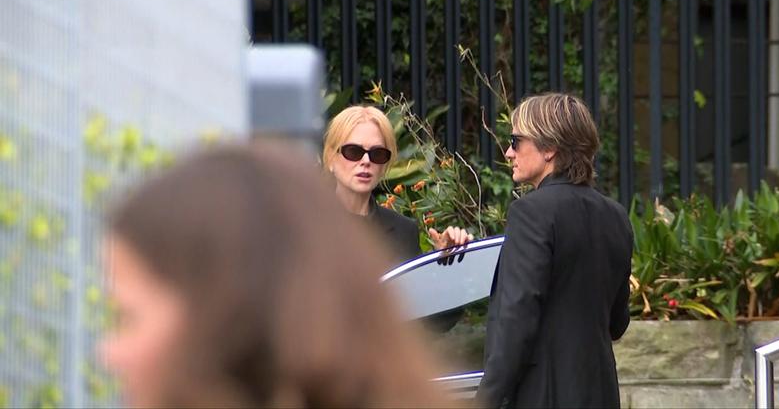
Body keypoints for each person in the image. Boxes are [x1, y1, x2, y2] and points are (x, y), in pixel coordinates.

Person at [100, 142, 453, 408]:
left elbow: (431, 318)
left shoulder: (384, 232)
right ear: (331, 157)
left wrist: (445, 266)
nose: (109, 353)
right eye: (353, 151)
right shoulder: (310, 224)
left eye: (127, 317)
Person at [475, 93, 633, 408]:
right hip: (600, 393)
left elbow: (516, 317)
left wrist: (485, 400)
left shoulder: (531, 212)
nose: (508, 152)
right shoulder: (616, 216)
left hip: (542, 394)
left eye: (516, 141)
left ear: (549, 148)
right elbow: (617, 323)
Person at [322, 105, 472, 261]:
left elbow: (416, 284)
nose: (366, 161)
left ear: (385, 165)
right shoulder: (304, 228)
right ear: (331, 158)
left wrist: (439, 258)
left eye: (377, 154)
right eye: (354, 151)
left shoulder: (404, 231)